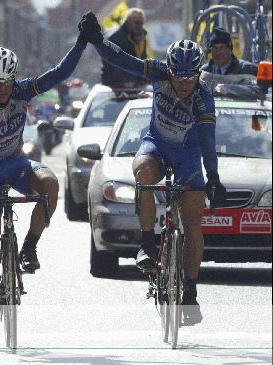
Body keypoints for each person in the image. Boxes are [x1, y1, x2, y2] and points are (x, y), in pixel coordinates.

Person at [84, 12, 226, 325]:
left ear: (199, 73)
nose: (184, 83)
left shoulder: (203, 96)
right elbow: (123, 60)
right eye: (179, 76)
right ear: (170, 69)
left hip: (188, 156)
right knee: (143, 174)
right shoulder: (159, 72)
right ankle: (147, 245)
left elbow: (207, 138)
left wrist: (213, 176)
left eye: (191, 78)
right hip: (157, 146)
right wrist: (97, 41)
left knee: (193, 224)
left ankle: (190, 291)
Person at [0, 13, 98, 335]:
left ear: (13, 79)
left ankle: (30, 247)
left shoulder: (23, 91)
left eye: (7, 82)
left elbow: (61, 73)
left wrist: (81, 42)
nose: (3, 89)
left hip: (16, 162)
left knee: (50, 184)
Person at [101, 8, 151, 88]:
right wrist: (124, 80)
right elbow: (112, 62)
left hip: (136, 85)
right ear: (127, 21)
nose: (139, 25)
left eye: (141, 23)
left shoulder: (141, 37)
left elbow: (142, 60)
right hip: (115, 86)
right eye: (136, 23)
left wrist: (143, 79)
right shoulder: (115, 37)